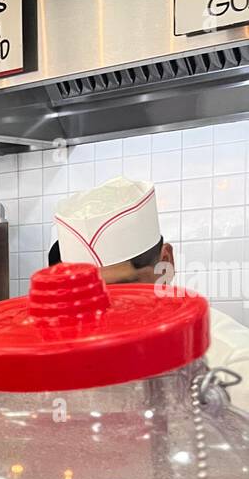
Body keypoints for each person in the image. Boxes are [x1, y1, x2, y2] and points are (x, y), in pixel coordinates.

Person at [48, 176, 249, 411]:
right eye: (85, 294)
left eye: (124, 288)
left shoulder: (232, 361)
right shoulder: (66, 357)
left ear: (166, 263)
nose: (104, 310)